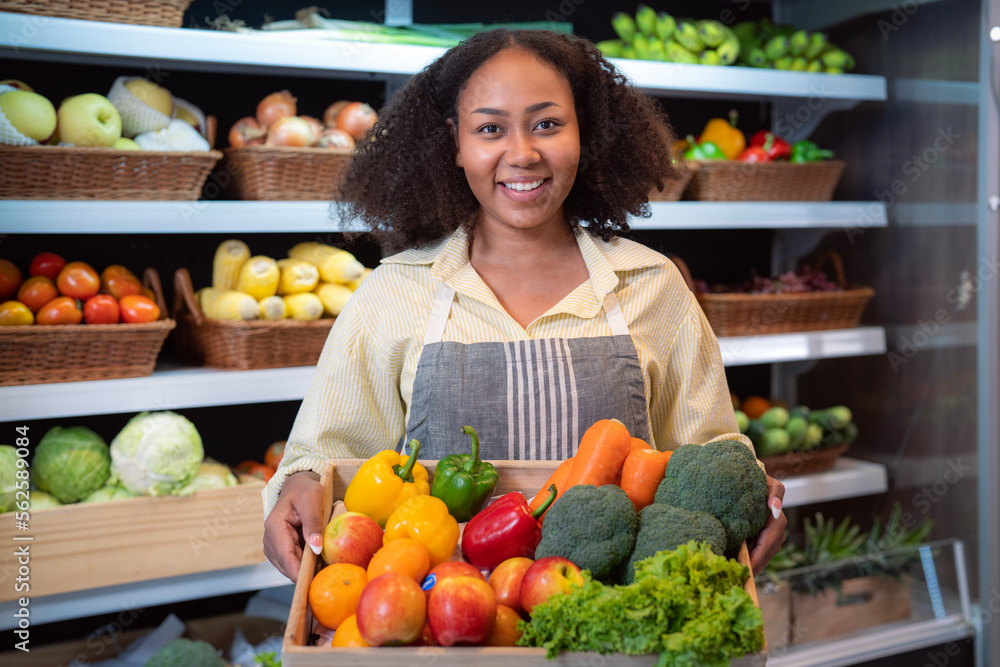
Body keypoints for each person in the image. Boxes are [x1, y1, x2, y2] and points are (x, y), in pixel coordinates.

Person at [262, 28, 786, 581]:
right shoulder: (395, 291)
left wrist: (750, 486)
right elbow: (325, 456)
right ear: (455, 144)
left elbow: (708, 452)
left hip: (611, 617)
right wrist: (301, 484)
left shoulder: (651, 285)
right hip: (440, 619)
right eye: (490, 128)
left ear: (584, 131)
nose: (522, 153)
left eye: (547, 124)